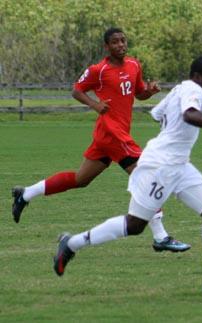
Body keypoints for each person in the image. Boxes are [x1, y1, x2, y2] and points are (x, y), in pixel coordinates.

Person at [52, 56, 202, 299]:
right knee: (134, 225)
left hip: (179, 165)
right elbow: (189, 115)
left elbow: (158, 114)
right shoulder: (193, 90)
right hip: (161, 166)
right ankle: (71, 244)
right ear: (198, 76)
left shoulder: (181, 89)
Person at [12, 27, 190, 253]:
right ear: (107, 47)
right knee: (149, 175)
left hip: (110, 137)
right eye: (115, 42)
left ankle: (26, 194)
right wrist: (95, 105)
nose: (121, 45)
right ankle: (161, 237)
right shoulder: (99, 69)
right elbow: (77, 90)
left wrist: (150, 92)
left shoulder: (134, 65)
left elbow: (138, 92)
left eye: (123, 41)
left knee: (80, 179)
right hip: (113, 133)